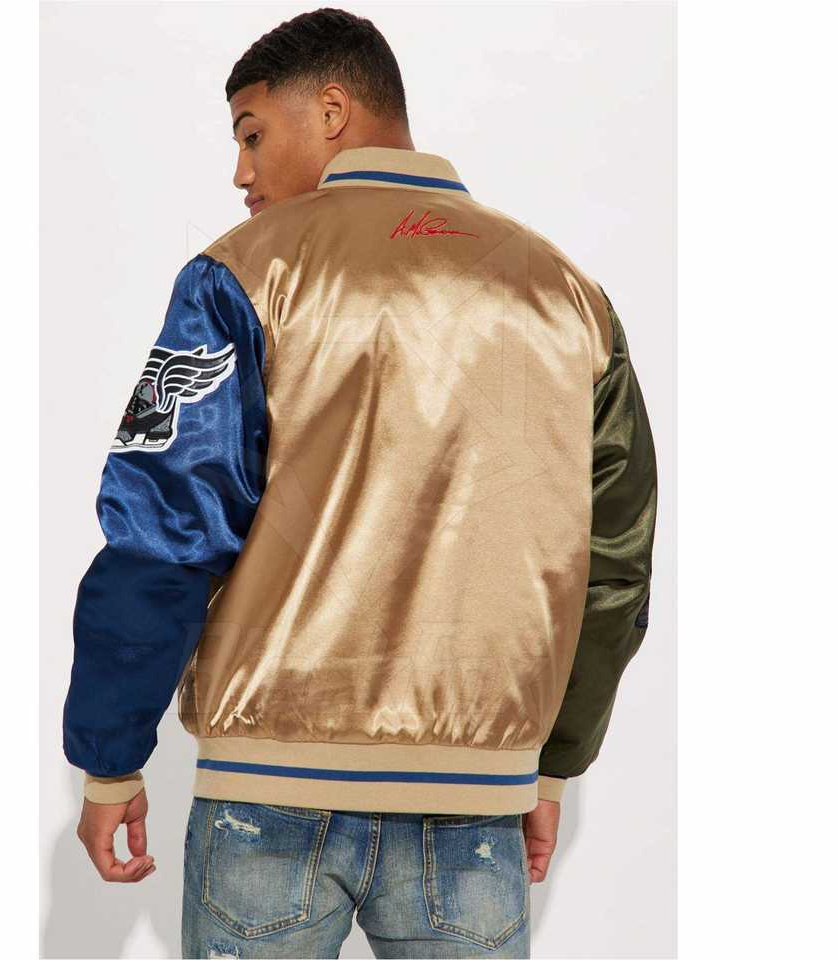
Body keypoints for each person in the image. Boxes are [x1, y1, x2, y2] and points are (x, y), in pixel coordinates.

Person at [62, 7, 658, 958]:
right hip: (477, 806)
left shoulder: (244, 273)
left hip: (268, 798)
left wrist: (109, 758)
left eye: (252, 135)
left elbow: (165, 532)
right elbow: (615, 562)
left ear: (333, 110)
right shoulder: (565, 295)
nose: (241, 173)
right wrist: (551, 764)